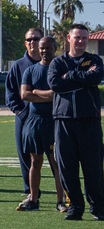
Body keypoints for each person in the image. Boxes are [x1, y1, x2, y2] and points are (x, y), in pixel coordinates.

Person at [47, 24, 104, 221]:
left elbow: (95, 77)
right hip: (64, 121)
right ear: (68, 38)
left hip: (89, 121)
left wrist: (70, 76)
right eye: (77, 37)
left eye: (84, 38)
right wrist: (83, 79)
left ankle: (98, 207)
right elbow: (55, 84)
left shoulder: (94, 60)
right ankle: (75, 207)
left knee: (93, 167)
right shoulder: (58, 62)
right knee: (67, 167)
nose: (80, 41)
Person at [18, 36, 67, 212]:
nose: (44, 51)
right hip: (33, 122)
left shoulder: (60, 69)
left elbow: (58, 94)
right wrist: (47, 94)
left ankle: (60, 201)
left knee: (56, 162)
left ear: (55, 48)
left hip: (54, 122)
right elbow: (24, 95)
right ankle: (33, 199)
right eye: (42, 48)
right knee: (35, 161)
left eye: (48, 48)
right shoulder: (30, 71)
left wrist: (37, 92)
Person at [5, 28, 43, 204]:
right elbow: (10, 93)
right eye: (29, 39)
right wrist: (20, 112)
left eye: (36, 39)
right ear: (25, 42)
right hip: (25, 117)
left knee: (56, 156)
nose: (32, 42)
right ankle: (31, 191)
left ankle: (63, 193)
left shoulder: (53, 64)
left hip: (48, 117)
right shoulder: (18, 66)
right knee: (25, 154)